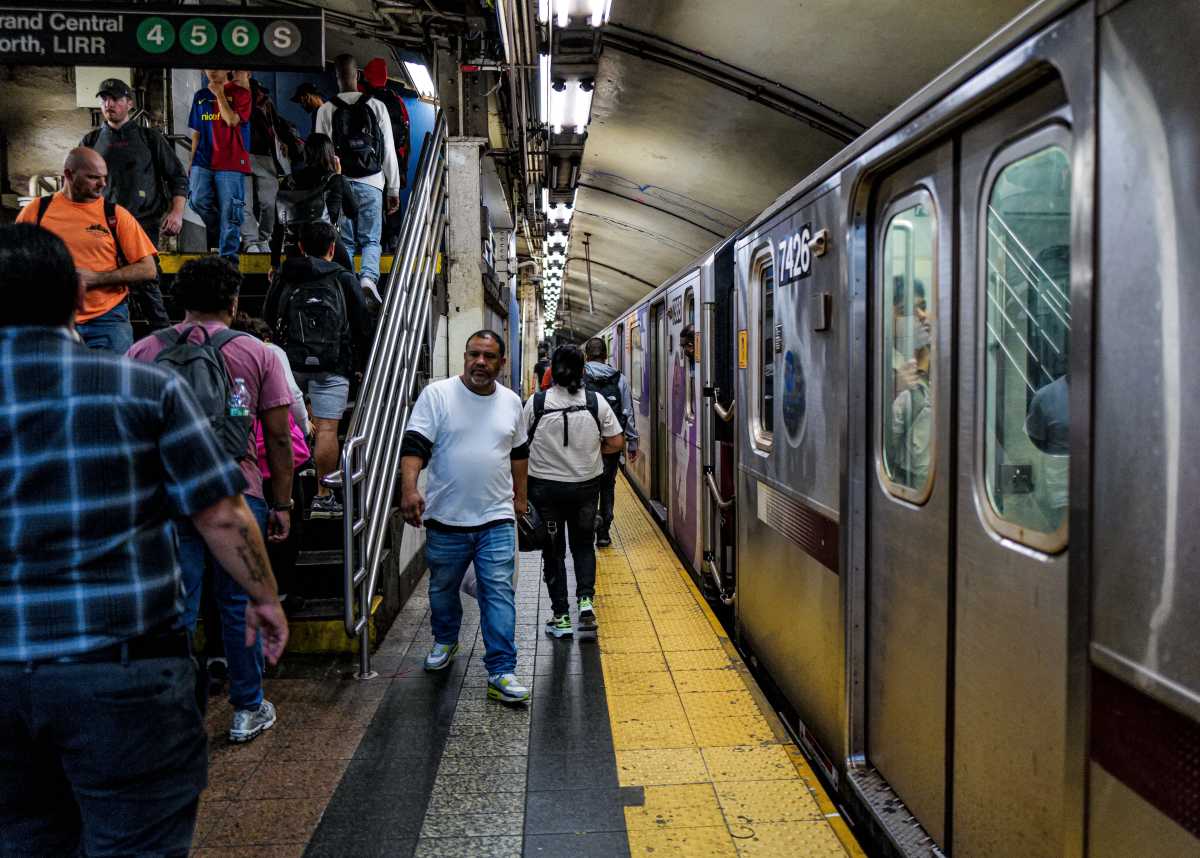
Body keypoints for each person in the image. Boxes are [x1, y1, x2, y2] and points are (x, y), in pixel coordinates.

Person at [0, 223, 288, 857]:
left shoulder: (145, 359)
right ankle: (245, 703)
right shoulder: (140, 388)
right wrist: (265, 598)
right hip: (120, 676)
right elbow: (219, 511)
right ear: (80, 295)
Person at [128, 255, 295, 743]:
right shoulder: (257, 353)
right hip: (237, 493)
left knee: (175, 606)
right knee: (238, 602)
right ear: (233, 300)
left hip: (164, 497)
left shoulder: (142, 351)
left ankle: (172, 713)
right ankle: (247, 707)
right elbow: (280, 439)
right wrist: (281, 502)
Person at [399, 330, 531, 703]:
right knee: (442, 590)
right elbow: (415, 446)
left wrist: (520, 499)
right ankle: (445, 640)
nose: (480, 362)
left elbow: (519, 452)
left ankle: (502, 670)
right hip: (446, 519)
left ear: (501, 364)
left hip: (496, 519)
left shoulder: (510, 402)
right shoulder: (437, 396)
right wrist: (409, 488)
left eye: (489, 357)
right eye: (474, 354)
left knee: (498, 593)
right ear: (464, 356)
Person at [265, 220, 373, 519]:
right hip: (333, 363)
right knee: (327, 429)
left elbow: (269, 314)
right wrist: (361, 363)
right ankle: (324, 496)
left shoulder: (286, 275)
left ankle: (286, 490)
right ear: (332, 248)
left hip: (291, 361)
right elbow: (363, 324)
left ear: (300, 246)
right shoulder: (343, 278)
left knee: (285, 424)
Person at [15, 147, 158, 354]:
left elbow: (148, 269)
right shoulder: (36, 211)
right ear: (69, 175)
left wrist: (96, 278)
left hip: (106, 320)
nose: (103, 184)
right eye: (93, 177)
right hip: (49, 319)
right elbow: (13, 261)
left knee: (111, 382)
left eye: (104, 177)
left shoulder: (115, 215)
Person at [526, 345, 625, 638]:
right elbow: (616, 442)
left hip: (546, 491)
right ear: (582, 372)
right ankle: (585, 604)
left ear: (551, 372)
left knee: (554, 552)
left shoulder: (537, 403)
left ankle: (561, 618)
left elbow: (519, 445)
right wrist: (593, 453)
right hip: (585, 488)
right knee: (583, 545)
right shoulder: (595, 402)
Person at [82, 77, 187, 330]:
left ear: (129, 103)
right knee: (106, 280)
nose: (109, 104)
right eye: (105, 99)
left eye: (116, 99)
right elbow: (78, 185)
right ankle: (113, 334)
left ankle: (163, 337)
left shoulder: (149, 138)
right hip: (102, 223)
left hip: (143, 221)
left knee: (147, 279)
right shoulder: (91, 141)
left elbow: (177, 177)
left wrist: (177, 212)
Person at [315, 53, 402, 309]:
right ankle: (368, 280)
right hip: (372, 182)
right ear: (358, 76)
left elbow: (322, 155)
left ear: (337, 78)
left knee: (346, 241)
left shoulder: (326, 109)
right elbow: (388, 152)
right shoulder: (377, 106)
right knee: (371, 239)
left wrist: (326, 187)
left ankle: (348, 286)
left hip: (340, 183)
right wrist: (393, 188)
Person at [270, 133, 358, 276]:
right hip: (326, 247)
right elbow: (352, 211)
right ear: (330, 154)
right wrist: (339, 176)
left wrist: (274, 264)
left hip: (295, 248)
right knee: (349, 278)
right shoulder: (335, 179)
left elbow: (279, 226)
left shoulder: (288, 182)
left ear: (306, 154)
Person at [188, 69, 252, 258]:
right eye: (208, 67)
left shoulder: (242, 94)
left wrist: (220, 93)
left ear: (228, 70)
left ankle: (229, 261)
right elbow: (197, 131)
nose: (213, 71)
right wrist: (191, 162)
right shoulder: (200, 96)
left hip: (231, 161)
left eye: (218, 67)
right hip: (203, 159)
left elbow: (231, 120)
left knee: (231, 210)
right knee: (197, 200)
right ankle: (223, 231)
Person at [583, 336, 639, 547]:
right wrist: (631, 442)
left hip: (585, 444)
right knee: (607, 485)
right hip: (611, 444)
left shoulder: (581, 376)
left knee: (588, 487)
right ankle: (604, 532)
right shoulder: (619, 379)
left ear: (587, 355)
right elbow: (627, 412)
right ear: (605, 355)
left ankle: (587, 528)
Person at [238, 73, 296, 253]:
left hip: (264, 156)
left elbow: (277, 125)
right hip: (240, 154)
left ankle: (263, 238)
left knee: (269, 202)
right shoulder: (230, 97)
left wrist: (286, 143)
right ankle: (250, 241)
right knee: (243, 202)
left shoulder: (266, 104)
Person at [359, 57, 411, 250]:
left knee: (371, 200)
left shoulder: (362, 100)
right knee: (392, 199)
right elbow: (406, 135)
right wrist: (403, 166)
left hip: (368, 160)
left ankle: (374, 242)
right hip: (394, 159)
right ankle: (394, 238)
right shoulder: (397, 101)